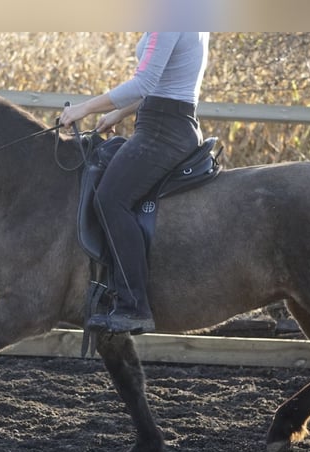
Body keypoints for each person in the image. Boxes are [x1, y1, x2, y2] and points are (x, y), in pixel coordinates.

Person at [59, 32, 209, 335]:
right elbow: (160, 84)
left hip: (163, 129)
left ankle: (134, 305)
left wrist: (83, 108)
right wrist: (117, 112)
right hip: (164, 120)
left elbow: (143, 84)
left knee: (111, 199)